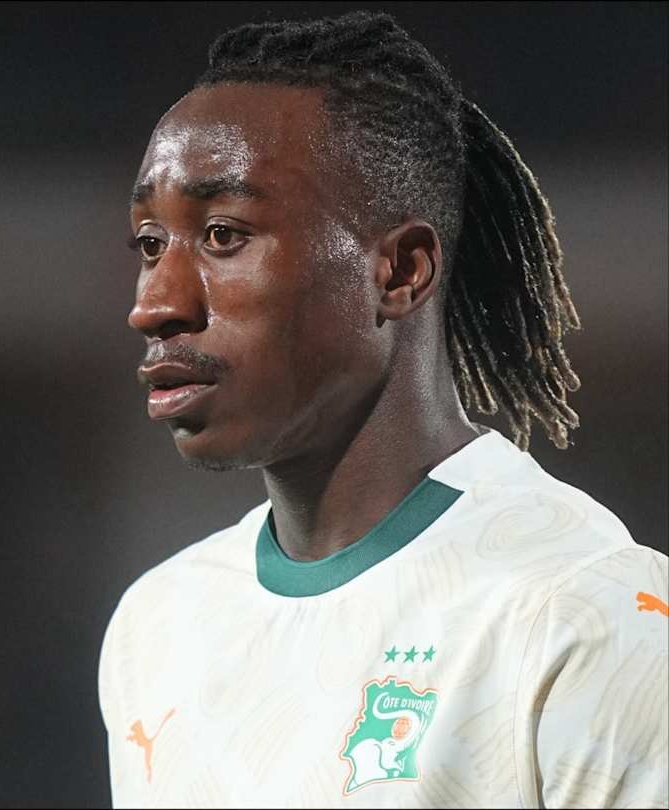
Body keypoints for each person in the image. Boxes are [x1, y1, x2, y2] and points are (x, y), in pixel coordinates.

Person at [99, 10, 667, 808]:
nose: (155, 303)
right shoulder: (157, 625)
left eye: (223, 234)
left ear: (399, 271)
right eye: (151, 243)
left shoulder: (584, 613)